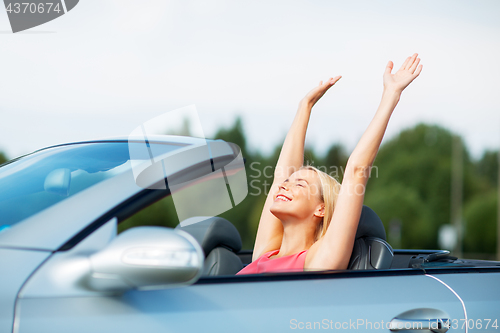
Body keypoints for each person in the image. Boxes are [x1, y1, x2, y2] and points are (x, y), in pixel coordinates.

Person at [236, 53, 423, 274]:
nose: (284, 185)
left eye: (300, 184)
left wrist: (391, 94)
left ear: (321, 208)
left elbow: (357, 170)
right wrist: (305, 107)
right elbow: (282, 174)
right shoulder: (264, 254)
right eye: (289, 182)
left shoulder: (317, 262)